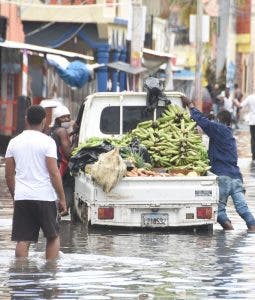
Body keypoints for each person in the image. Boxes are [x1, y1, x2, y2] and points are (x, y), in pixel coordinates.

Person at [181, 96, 255, 232]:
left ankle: (229, 231)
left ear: (220, 121)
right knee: (243, 209)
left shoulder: (220, 129)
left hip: (223, 178)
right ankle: (252, 229)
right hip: (236, 178)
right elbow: (208, 126)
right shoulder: (229, 135)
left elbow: (204, 123)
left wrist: (191, 106)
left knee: (219, 212)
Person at [5, 105, 67, 260]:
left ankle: (20, 274)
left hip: (23, 197)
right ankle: (51, 273)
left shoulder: (14, 142)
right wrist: (62, 198)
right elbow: (54, 172)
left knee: (23, 239)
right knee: (52, 237)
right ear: (44, 121)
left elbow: (9, 175)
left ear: (26, 120)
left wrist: (16, 196)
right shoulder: (47, 142)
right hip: (45, 196)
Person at [49, 105, 74, 211]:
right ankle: (63, 209)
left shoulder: (52, 130)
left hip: (53, 164)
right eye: (63, 117)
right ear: (57, 118)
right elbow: (68, 153)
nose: (67, 119)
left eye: (68, 116)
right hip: (61, 166)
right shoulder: (62, 131)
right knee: (68, 186)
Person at [238, 93, 255, 163]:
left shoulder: (250, 97)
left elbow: (241, 105)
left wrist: (235, 101)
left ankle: (254, 157)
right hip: (252, 120)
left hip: (253, 121)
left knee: (253, 139)